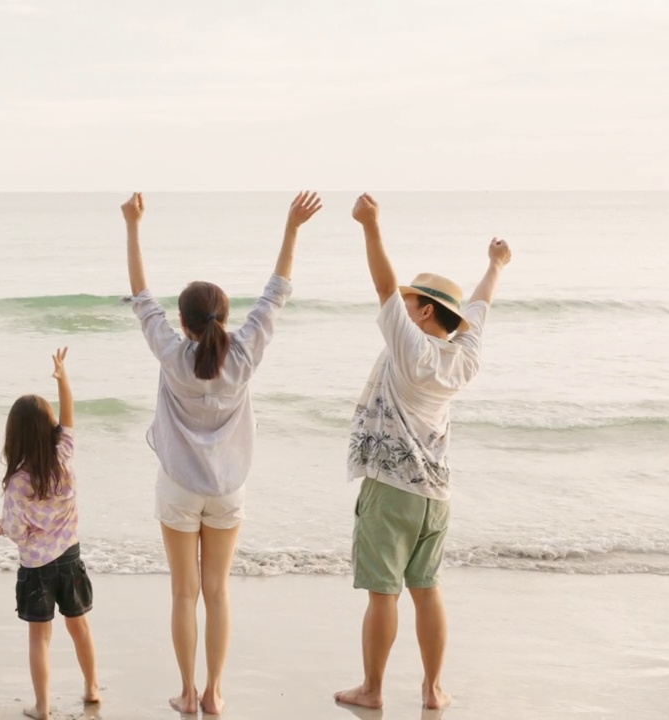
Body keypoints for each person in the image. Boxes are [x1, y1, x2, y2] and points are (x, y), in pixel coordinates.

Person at [122, 191, 322, 714]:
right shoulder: (244, 353)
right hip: (229, 488)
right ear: (223, 318)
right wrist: (292, 227)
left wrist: (133, 225)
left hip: (179, 489)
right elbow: (276, 293)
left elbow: (142, 295)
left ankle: (186, 693)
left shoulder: (171, 354)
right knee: (218, 592)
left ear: (184, 324)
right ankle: (214, 694)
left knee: (184, 593)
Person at [334, 193, 512, 711]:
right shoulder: (463, 357)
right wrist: (495, 265)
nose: (403, 306)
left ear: (426, 311)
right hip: (436, 496)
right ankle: (433, 689)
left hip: (392, 493)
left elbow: (384, 286)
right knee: (427, 588)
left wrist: (371, 225)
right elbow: (479, 308)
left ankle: (372, 689)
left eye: (414, 303)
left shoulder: (410, 349)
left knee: (383, 593)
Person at [0, 347, 100, 720]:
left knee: (40, 638)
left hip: (36, 567)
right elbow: (70, 415)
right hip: (70, 558)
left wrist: (0, 527)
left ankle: (42, 707)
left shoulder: (17, 482)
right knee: (79, 626)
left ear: (14, 435)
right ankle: (92, 688)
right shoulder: (64, 456)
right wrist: (62, 377)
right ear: (49, 427)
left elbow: (18, 531)